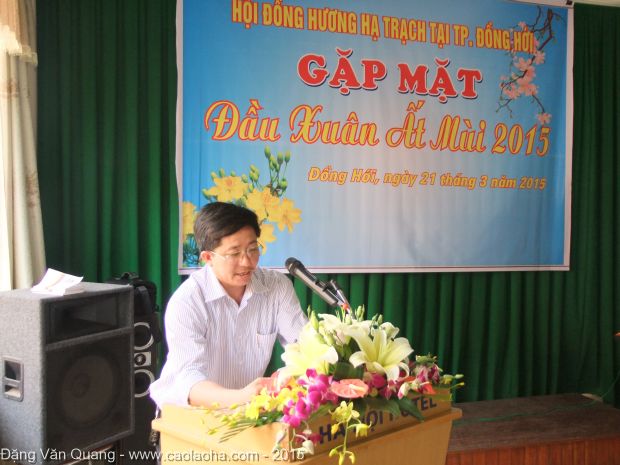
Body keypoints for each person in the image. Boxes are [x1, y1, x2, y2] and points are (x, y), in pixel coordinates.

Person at [150, 202, 307, 408]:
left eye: (253, 249)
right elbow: (188, 379)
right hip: (190, 413)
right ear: (208, 257)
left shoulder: (276, 286)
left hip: (245, 411)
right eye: (234, 254)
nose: (247, 262)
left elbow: (304, 346)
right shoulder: (187, 301)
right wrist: (242, 397)